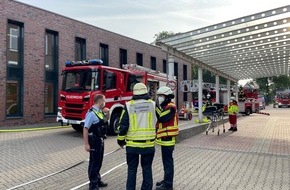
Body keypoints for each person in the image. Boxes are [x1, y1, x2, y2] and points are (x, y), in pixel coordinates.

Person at [117, 83, 157, 190]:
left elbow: (123, 125)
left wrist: (120, 141)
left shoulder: (129, 105)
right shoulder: (153, 104)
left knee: (131, 170)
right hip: (148, 144)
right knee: (147, 169)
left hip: (132, 145)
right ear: (146, 91)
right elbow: (160, 119)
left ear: (134, 92)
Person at [83, 94, 109, 190]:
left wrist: (108, 113)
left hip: (100, 139)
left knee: (99, 161)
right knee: (94, 163)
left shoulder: (99, 112)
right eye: (104, 100)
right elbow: (85, 128)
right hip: (94, 140)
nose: (105, 102)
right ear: (100, 101)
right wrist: (86, 144)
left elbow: (105, 121)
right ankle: (93, 185)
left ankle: (97, 180)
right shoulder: (91, 113)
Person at [155, 86, 179, 190]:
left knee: (168, 163)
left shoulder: (170, 107)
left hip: (168, 139)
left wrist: (155, 106)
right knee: (166, 162)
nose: (159, 98)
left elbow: (161, 118)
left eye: (161, 96)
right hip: (165, 139)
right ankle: (166, 180)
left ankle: (168, 185)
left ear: (167, 96)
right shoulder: (166, 106)